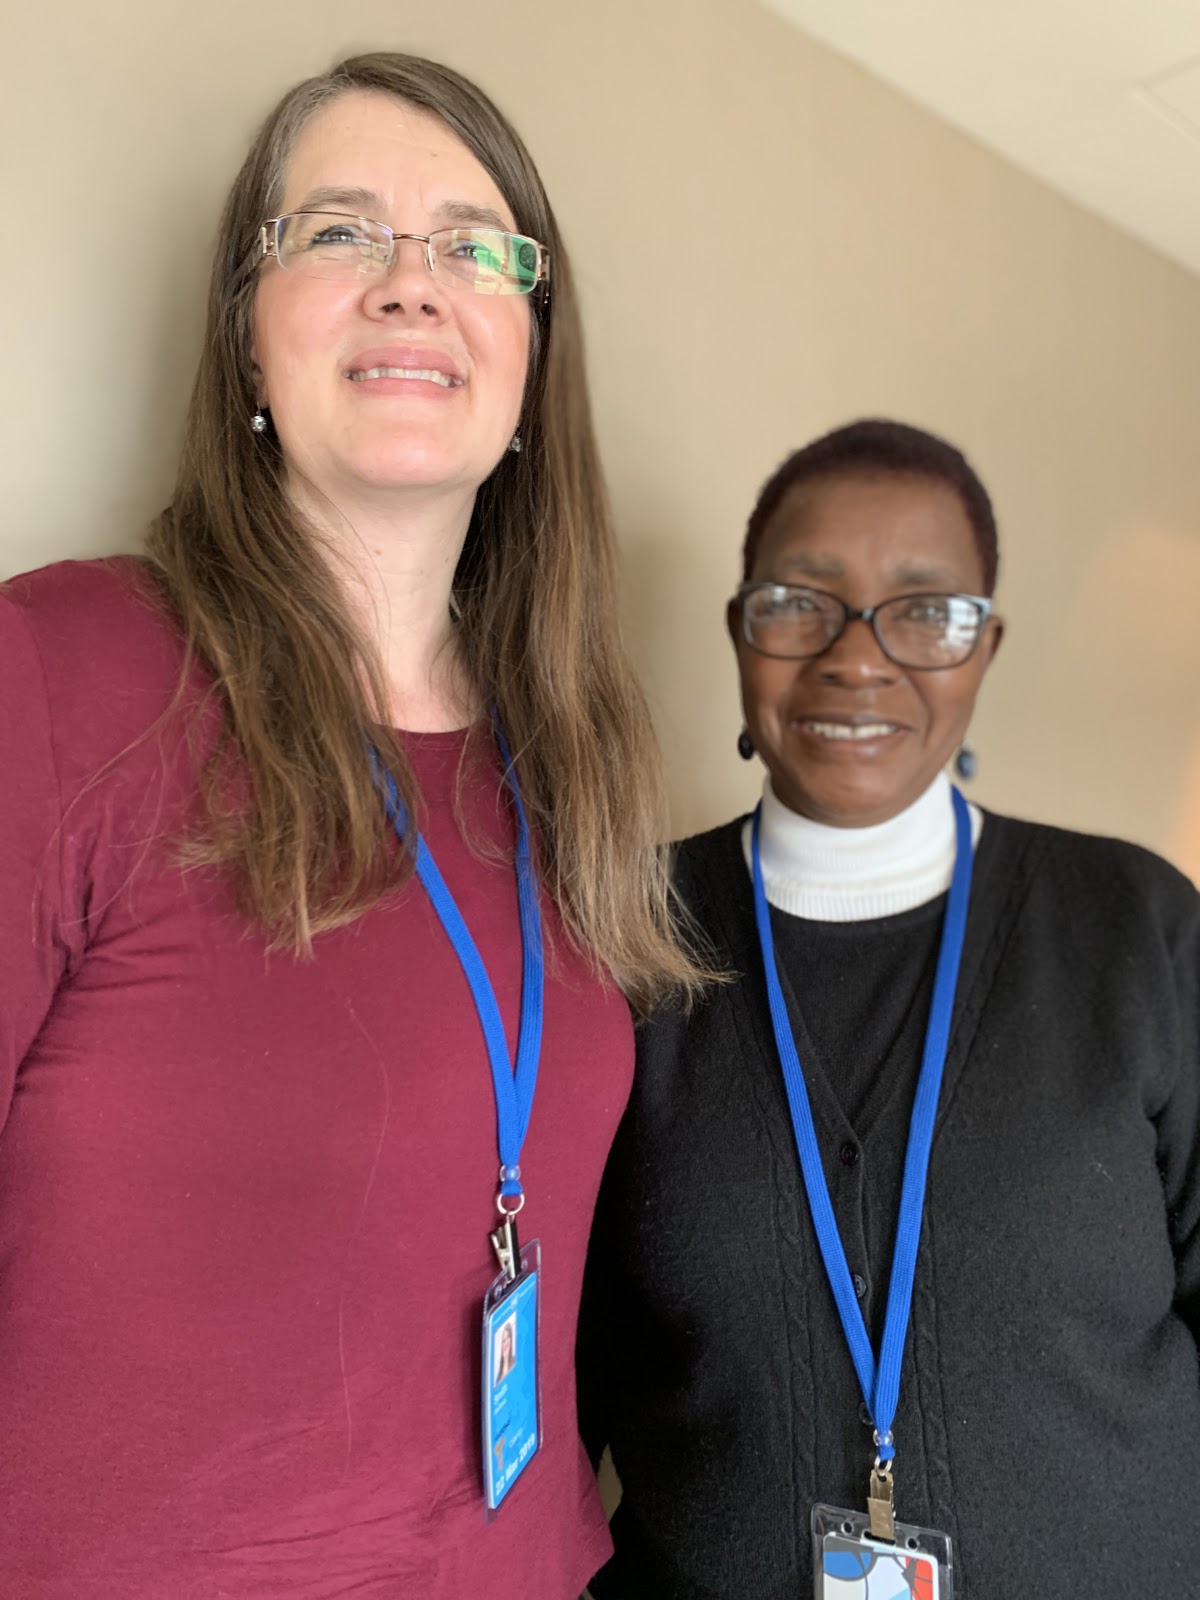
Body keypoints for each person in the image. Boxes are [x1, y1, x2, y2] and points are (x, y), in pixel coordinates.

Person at [0, 52, 701, 1599]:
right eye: (337, 232)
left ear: (532, 363)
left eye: (474, 246)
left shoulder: (570, 761)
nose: (410, 282)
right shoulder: (55, 674)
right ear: (247, 339)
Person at [578, 419, 1200, 1598]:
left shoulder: (1137, 926)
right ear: (740, 630)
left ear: (986, 646)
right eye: (798, 603)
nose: (857, 658)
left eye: (926, 611)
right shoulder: (618, 939)